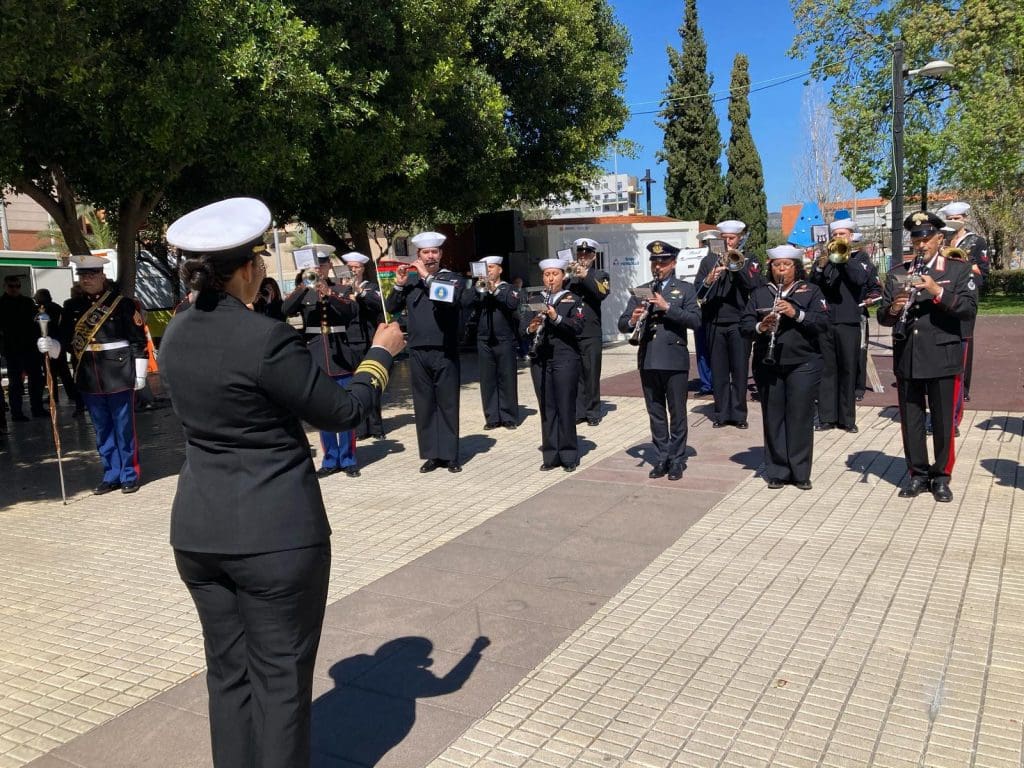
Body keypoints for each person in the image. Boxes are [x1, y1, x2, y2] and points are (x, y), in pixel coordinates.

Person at [159, 197, 404, 768]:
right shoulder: (264, 339)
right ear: (247, 269)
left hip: (199, 531)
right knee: (280, 682)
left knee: (228, 675)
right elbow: (342, 412)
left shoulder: (176, 333)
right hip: (274, 536)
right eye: (259, 261)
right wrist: (379, 355)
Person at [878, 211, 977, 503]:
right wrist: (894, 308)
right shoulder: (899, 272)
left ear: (939, 239)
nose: (921, 245)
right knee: (911, 420)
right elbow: (883, 317)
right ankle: (917, 474)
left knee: (943, 421)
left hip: (942, 355)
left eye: (926, 239)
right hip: (908, 355)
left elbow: (968, 310)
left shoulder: (957, 270)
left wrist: (937, 292)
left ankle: (941, 477)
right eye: (916, 239)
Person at [38, 259, 147, 493]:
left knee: (124, 427)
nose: (86, 279)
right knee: (101, 429)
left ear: (102, 276)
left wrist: (140, 373)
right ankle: (111, 474)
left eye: (92, 275)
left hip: (118, 373)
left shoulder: (123, 304)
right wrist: (51, 345)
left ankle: (129, 473)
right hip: (89, 374)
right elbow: (66, 341)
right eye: (82, 276)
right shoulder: (71, 307)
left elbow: (137, 340)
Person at [741, 245, 829, 490]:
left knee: (800, 416)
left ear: (796, 267)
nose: (781, 269)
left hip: (803, 362)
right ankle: (778, 471)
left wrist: (796, 313)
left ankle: (800, 472)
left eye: (786, 265)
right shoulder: (760, 293)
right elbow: (744, 325)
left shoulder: (811, 291)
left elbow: (823, 322)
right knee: (773, 416)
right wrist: (761, 327)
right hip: (768, 363)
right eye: (776, 265)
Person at [385, 230, 473, 472]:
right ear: (419, 255)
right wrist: (399, 283)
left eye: (434, 252)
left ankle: (450, 455)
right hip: (417, 350)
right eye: (426, 253)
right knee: (424, 404)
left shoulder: (451, 279)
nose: (430, 256)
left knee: (447, 402)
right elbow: (391, 307)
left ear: (441, 254)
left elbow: (448, 299)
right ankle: (432, 454)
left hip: (444, 349)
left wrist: (426, 277)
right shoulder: (411, 281)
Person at [618, 241, 701, 481]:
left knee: (677, 413)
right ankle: (662, 457)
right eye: (654, 262)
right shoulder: (642, 290)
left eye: (663, 262)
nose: (658, 267)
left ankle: (677, 459)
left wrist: (668, 307)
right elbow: (622, 323)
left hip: (674, 359)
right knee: (655, 413)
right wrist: (633, 319)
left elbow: (696, 321)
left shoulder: (685, 289)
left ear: (673, 263)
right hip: (648, 359)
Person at [282, 244, 362, 478]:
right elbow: (286, 309)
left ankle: (348, 458)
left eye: (322, 264)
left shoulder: (341, 289)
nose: (319, 268)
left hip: (341, 356)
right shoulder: (304, 291)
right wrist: (303, 284)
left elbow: (350, 313)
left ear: (329, 266)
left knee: (345, 409)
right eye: (314, 265)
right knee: (321, 410)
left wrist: (329, 293)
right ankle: (330, 459)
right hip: (315, 355)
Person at [695, 219, 763, 428]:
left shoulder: (749, 258)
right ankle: (722, 414)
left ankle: (739, 415)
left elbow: (754, 284)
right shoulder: (709, 260)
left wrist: (736, 265)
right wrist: (709, 279)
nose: (728, 243)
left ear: (739, 238)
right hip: (715, 322)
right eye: (724, 239)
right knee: (719, 371)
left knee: (740, 370)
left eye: (731, 239)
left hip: (740, 322)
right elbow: (698, 292)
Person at [809, 218, 874, 433]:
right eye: (835, 235)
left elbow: (860, 280)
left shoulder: (859, 258)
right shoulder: (824, 259)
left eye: (842, 235)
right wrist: (820, 268)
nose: (838, 238)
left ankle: (847, 419)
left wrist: (844, 259)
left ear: (851, 237)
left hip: (848, 320)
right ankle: (827, 417)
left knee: (848, 369)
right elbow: (812, 285)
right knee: (827, 369)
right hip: (826, 320)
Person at [523, 258, 585, 471]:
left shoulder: (573, 299)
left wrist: (556, 317)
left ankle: (568, 455)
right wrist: (531, 327)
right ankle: (550, 455)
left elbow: (578, 327)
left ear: (563, 276)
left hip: (565, 358)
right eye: (547, 274)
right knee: (547, 407)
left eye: (555, 274)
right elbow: (522, 326)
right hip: (540, 359)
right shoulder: (534, 299)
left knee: (565, 406)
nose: (550, 278)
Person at [936, 201, 990, 402]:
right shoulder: (943, 239)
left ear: (964, 219)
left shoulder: (977, 241)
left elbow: (983, 273)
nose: (953, 221)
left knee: (964, 339)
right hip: (945, 294)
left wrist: (965, 263)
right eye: (950, 219)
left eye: (956, 218)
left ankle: (963, 387)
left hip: (966, 293)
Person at [468, 255, 521, 429]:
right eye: (486, 268)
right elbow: (467, 302)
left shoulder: (509, 288)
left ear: (500, 269)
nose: (488, 271)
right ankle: (492, 417)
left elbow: (512, 304)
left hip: (505, 339)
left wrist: (494, 290)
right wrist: (477, 288)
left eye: (491, 267)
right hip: (484, 339)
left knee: (507, 377)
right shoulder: (479, 288)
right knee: (487, 379)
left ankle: (509, 417)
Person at [340, 251, 387, 440]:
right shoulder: (341, 288)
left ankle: (376, 427)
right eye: (350, 267)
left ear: (362, 269)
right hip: (348, 341)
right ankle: (360, 429)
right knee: (354, 385)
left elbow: (379, 304)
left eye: (356, 267)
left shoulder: (371, 287)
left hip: (367, 340)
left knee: (371, 382)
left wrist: (360, 293)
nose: (353, 270)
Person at [568, 237, 609, 426]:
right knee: (575, 373)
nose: (583, 257)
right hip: (571, 330)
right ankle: (579, 411)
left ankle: (593, 411)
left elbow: (601, 293)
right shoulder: (570, 276)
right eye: (580, 254)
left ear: (593, 256)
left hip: (590, 331)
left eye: (587, 254)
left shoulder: (600, 275)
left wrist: (585, 276)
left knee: (591, 373)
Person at [0, 274, 46, 421]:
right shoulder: (1, 304)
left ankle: (37, 408)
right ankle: (17, 413)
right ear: (5, 287)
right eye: (11, 286)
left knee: (36, 379)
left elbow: (36, 322)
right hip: (12, 348)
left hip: (30, 347)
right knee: (16, 383)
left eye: (17, 286)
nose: (14, 289)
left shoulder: (27, 302)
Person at [33, 288, 86, 415]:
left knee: (52, 372)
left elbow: (54, 326)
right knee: (64, 372)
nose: (35, 298)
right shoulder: (57, 307)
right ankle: (71, 394)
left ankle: (55, 395)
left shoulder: (48, 309)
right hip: (58, 343)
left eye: (37, 296)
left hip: (52, 343)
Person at [850, 232, 882, 401]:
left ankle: (858, 388)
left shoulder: (866, 265)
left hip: (858, 312)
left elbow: (876, 289)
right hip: (836, 315)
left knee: (859, 351)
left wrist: (871, 298)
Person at [692, 230, 717, 395]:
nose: (709, 247)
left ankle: (717, 381)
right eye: (706, 244)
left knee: (716, 349)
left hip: (716, 309)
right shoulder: (694, 259)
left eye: (711, 243)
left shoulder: (722, 259)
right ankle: (706, 383)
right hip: (700, 309)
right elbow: (695, 286)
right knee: (702, 348)